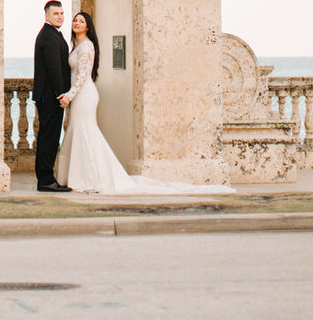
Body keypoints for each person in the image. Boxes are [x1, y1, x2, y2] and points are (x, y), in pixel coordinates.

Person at [55, 11, 234, 195]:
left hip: (84, 95)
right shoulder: (77, 46)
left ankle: (91, 178)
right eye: (75, 20)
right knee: (79, 131)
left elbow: (83, 76)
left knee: (86, 132)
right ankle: (82, 175)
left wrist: (70, 94)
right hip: (79, 96)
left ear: (88, 26)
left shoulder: (87, 47)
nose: (76, 23)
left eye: (81, 21)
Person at [32, 0, 72, 192]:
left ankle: (46, 177)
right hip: (50, 97)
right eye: (56, 14)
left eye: (62, 13)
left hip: (49, 96)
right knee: (49, 137)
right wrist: (61, 95)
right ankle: (46, 179)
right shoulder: (48, 36)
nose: (60, 16)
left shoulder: (54, 34)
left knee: (49, 136)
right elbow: (54, 69)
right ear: (47, 15)